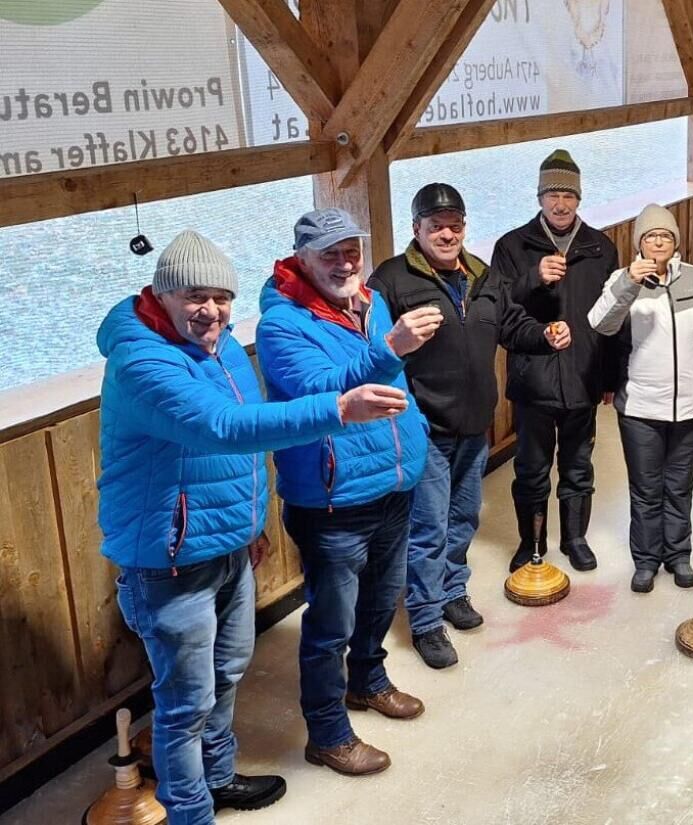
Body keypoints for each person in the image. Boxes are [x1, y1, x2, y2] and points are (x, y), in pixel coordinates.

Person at [98, 230, 410, 823]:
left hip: (228, 544)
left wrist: (252, 523)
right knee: (185, 703)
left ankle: (217, 778)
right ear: (162, 295)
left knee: (225, 673)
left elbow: (246, 445)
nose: (210, 310)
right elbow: (223, 427)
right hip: (170, 559)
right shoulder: (142, 360)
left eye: (221, 297)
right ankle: (191, 812)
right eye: (194, 296)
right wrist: (339, 409)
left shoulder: (221, 349)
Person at [255, 208, 437, 777]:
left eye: (351, 250)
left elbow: (393, 380)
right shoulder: (280, 324)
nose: (344, 263)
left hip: (393, 480)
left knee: (382, 599)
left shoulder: (371, 302)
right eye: (329, 254)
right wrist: (391, 347)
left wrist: (417, 433)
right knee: (330, 624)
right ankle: (327, 733)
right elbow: (320, 388)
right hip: (333, 498)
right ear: (302, 259)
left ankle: (369, 680)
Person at [368, 183, 552, 669]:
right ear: (417, 229)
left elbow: (511, 325)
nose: (447, 235)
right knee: (428, 527)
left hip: (474, 423)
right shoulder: (391, 280)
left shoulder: (481, 275)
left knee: (464, 517)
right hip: (423, 427)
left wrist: (543, 335)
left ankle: (452, 591)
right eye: (436, 227)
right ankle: (426, 620)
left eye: (454, 226)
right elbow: (375, 352)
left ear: (464, 227)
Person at [589, 204, 693, 592]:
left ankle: (678, 554)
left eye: (666, 236)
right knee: (645, 489)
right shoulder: (622, 280)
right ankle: (645, 560)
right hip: (640, 408)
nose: (658, 242)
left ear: (676, 242)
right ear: (639, 243)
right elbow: (601, 323)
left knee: (679, 485)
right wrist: (628, 283)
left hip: (691, 406)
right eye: (650, 236)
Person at [491, 149, 620, 572]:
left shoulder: (601, 247)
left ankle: (575, 539)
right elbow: (496, 308)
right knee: (531, 468)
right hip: (533, 383)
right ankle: (531, 542)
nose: (560, 204)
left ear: (579, 198)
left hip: (584, 376)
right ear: (539, 197)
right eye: (552, 195)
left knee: (579, 466)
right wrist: (531, 279)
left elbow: (614, 317)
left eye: (568, 195)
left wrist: (610, 377)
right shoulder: (511, 246)